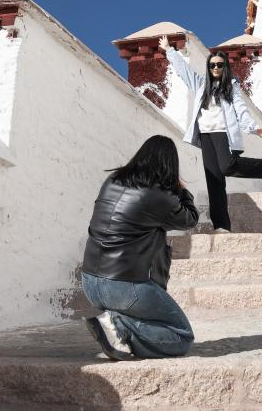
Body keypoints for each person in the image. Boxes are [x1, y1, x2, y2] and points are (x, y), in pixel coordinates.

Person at [81, 135, 200, 361]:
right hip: (122, 287)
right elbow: (190, 219)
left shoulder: (113, 180)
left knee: (153, 317)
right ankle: (118, 324)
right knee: (181, 336)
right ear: (170, 165)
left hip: (90, 281)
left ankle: (116, 325)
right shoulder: (158, 195)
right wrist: (181, 190)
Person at [159, 36, 262, 233]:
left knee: (227, 166)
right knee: (214, 181)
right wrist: (169, 50)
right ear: (208, 68)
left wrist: (252, 127)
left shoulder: (231, 87)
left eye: (219, 65)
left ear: (225, 67)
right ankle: (221, 226)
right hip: (205, 136)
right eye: (212, 65)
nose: (216, 68)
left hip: (223, 133)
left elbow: (240, 108)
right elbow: (183, 70)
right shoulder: (200, 85)